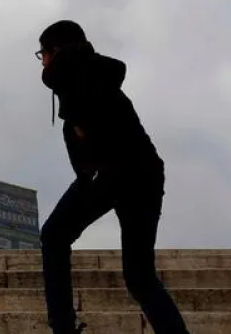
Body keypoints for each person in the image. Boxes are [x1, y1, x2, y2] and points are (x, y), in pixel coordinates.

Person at [36, 19, 188, 334]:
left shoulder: (72, 75)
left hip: (111, 173)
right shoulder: (94, 73)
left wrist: (91, 169)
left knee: (53, 236)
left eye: (43, 54)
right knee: (140, 278)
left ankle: (63, 328)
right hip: (145, 173)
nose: (43, 62)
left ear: (56, 51)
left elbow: (89, 130)